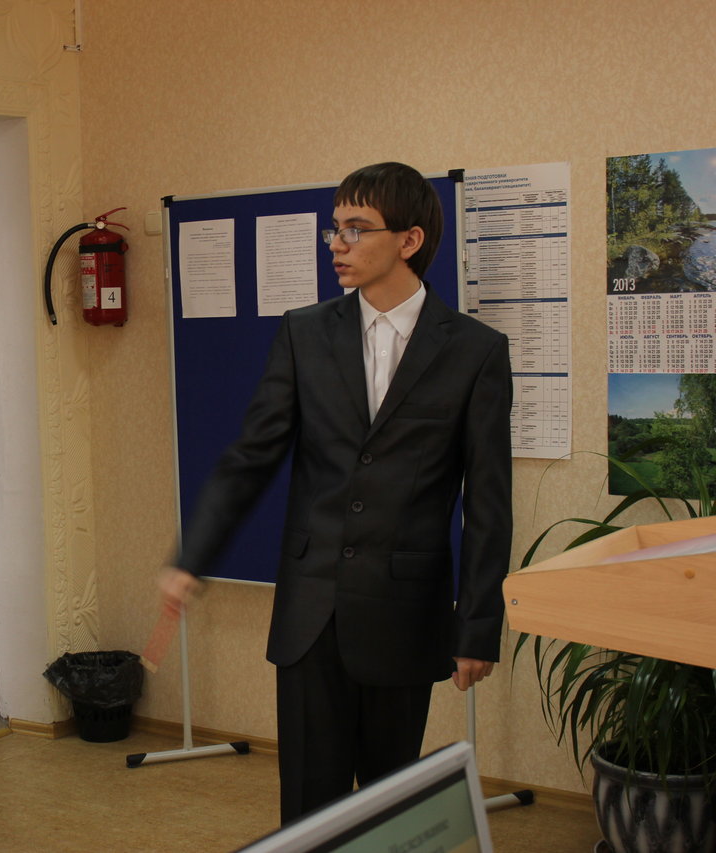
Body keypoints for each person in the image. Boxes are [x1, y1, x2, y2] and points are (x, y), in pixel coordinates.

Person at [160, 162, 513, 825]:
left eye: (356, 228)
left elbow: (489, 501)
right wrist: (193, 554)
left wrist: (478, 627)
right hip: (310, 611)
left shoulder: (475, 351)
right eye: (335, 228)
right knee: (308, 810)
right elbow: (251, 456)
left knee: (387, 812)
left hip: (405, 611)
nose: (337, 244)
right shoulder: (304, 332)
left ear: (409, 240)